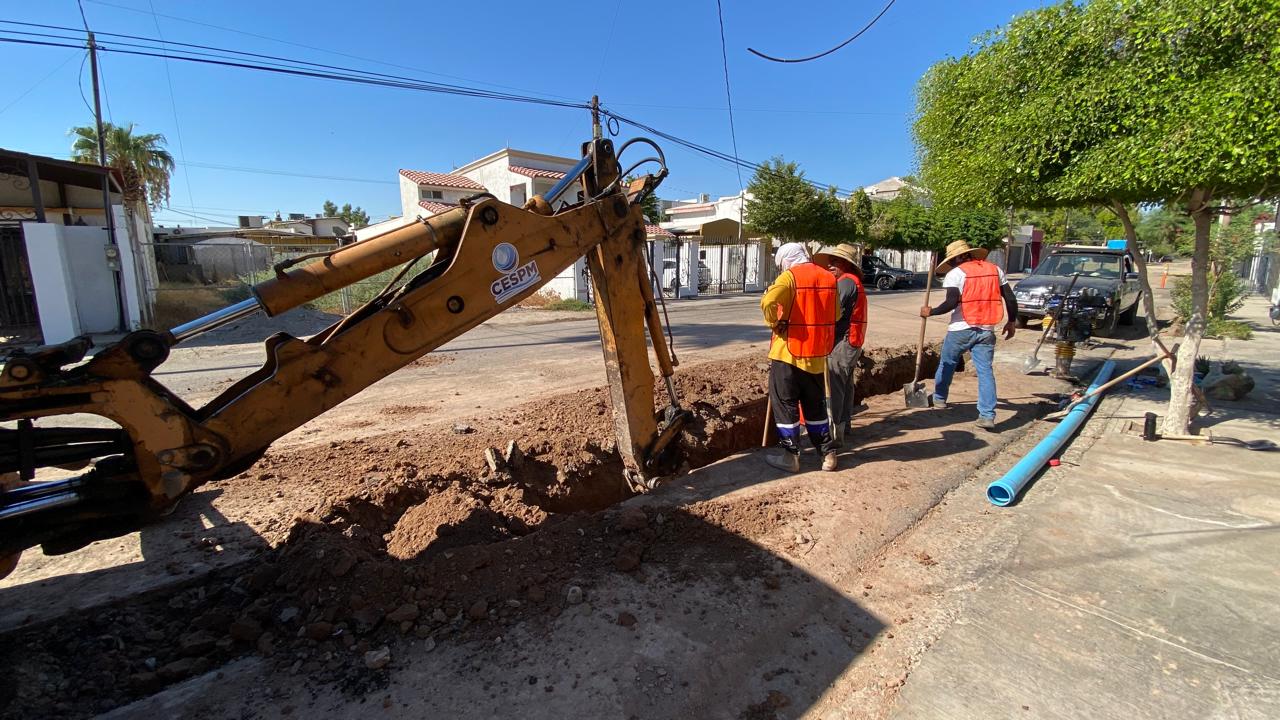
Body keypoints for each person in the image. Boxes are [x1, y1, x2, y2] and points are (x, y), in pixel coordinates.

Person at [919, 239, 1017, 430]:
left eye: (953, 260)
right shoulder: (995, 270)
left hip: (960, 329)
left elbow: (951, 303)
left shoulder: (956, 274)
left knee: (947, 363)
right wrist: (1012, 321)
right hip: (986, 330)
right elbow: (1010, 298)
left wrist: (931, 312)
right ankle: (987, 415)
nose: (953, 263)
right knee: (985, 372)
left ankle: (939, 399)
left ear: (960, 257)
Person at [761, 242, 840, 472]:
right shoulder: (828, 278)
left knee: (786, 404)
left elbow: (768, 302)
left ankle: (790, 456)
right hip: (816, 355)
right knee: (815, 405)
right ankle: (827, 454)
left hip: (788, 354)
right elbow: (834, 313)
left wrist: (774, 323)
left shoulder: (789, 277)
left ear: (787, 260)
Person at [812, 244, 867, 446]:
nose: (830, 265)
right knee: (845, 386)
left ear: (845, 264)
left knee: (835, 387)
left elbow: (834, 314)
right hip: (852, 341)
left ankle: (835, 434)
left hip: (844, 342)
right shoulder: (853, 282)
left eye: (834, 262)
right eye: (830, 262)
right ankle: (845, 426)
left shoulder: (845, 284)